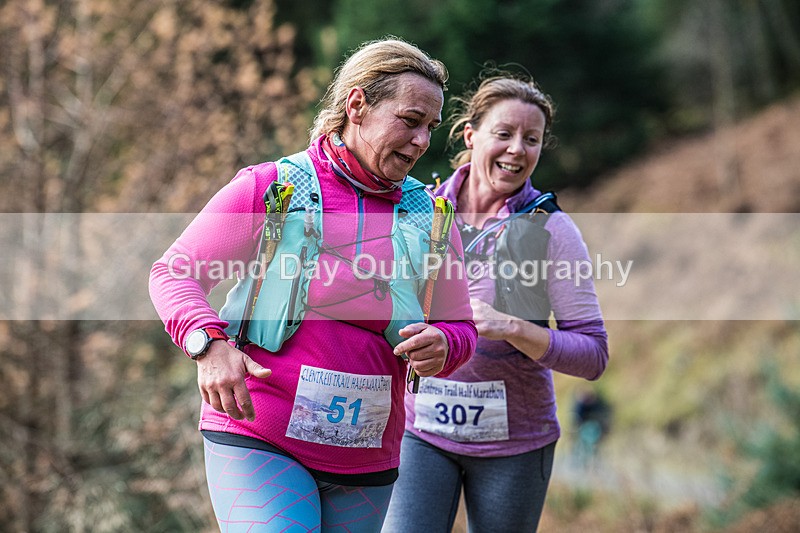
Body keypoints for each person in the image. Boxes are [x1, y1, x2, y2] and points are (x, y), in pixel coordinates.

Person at [149, 38, 477, 532]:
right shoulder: (272, 187)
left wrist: (444, 344)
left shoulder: (430, 217)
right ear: (357, 106)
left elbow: (462, 330)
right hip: (261, 434)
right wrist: (208, 345)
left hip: (367, 458)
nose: (422, 141)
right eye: (409, 121)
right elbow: (175, 271)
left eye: (430, 127)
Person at [383, 71, 609, 532]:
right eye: (503, 133)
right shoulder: (421, 210)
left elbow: (593, 355)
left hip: (514, 445)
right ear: (471, 135)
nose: (517, 149)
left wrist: (511, 327)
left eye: (532, 139)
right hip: (420, 431)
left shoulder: (551, 230)